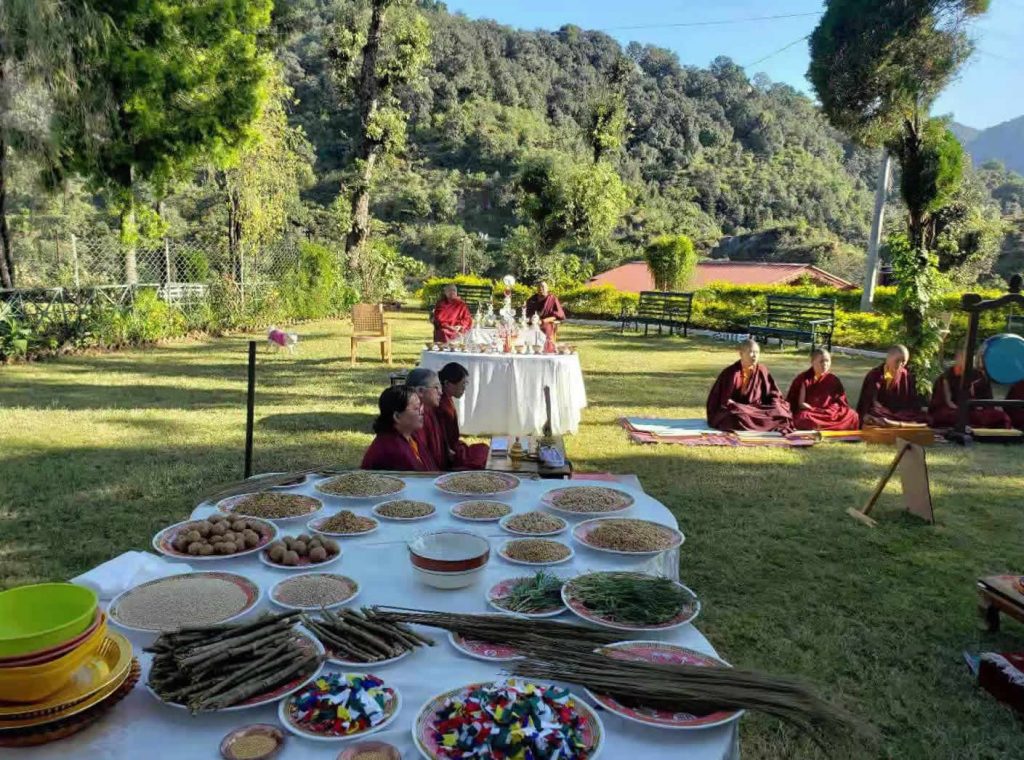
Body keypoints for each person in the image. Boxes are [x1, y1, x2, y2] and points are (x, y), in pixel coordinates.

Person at [706, 338, 793, 433]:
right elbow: (723, 401)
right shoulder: (730, 373)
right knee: (737, 416)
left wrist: (775, 402)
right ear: (741, 354)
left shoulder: (762, 370)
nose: (755, 356)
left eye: (757, 352)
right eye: (751, 352)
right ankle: (758, 423)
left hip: (757, 408)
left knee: (780, 412)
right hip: (739, 409)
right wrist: (734, 404)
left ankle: (756, 423)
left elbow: (773, 392)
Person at [928, 350, 1011, 429]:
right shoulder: (946, 376)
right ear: (957, 358)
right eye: (962, 357)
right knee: (944, 415)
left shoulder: (978, 375)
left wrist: (979, 406)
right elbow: (944, 402)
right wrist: (958, 408)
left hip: (975, 411)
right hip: (954, 411)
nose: (965, 360)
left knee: (1001, 416)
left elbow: (986, 400)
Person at [360, 386, 435, 471]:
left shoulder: (409, 437)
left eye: (421, 407)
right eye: (416, 408)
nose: (422, 412)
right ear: (397, 416)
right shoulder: (392, 450)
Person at [785, 348, 860, 431]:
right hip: (812, 413)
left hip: (829, 413)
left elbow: (840, 402)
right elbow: (800, 404)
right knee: (802, 418)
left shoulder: (833, 379)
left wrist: (831, 410)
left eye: (827, 361)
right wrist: (812, 409)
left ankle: (822, 426)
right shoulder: (804, 378)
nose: (825, 364)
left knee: (853, 414)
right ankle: (831, 426)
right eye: (821, 361)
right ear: (813, 362)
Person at [856, 344, 928, 426]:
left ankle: (891, 422)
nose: (900, 365)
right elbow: (869, 401)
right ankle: (894, 422)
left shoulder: (906, 375)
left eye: (903, 362)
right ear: (888, 359)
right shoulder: (875, 375)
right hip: (882, 412)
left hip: (900, 413)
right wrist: (882, 408)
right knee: (874, 412)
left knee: (922, 415)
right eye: (897, 361)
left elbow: (911, 401)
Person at [438, 362, 490, 469]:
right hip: (452, 454)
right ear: (447, 383)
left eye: (465, 384)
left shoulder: (446, 399)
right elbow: (443, 441)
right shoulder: (442, 405)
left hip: (457, 446)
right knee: (482, 455)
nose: (464, 388)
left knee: (484, 448)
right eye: (462, 384)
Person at [405, 367, 449, 470]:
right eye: (436, 387)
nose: (441, 392)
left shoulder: (429, 411)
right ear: (420, 391)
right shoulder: (412, 419)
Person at [525, 281, 566, 347]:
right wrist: (531, 320)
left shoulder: (552, 299)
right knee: (524, 332)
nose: (541, 289)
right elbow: (527, 314)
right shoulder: (532, 299)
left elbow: (558, 315)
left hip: (546, 323)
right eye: (539, 287)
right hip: (532, 323)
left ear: (547, 288)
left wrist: (543, 321)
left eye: (543, 287)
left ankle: (547, 347)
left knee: (546, 329)